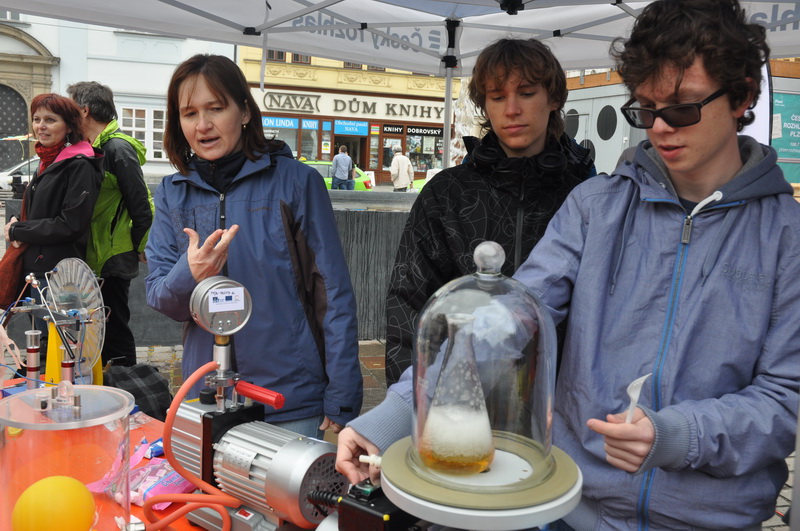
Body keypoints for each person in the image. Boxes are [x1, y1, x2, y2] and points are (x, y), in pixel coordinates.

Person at [338, 1, 800, 530]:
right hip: (572, 509)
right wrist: (396, 415)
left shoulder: (786, 237)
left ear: (742, 95)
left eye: (682, 108)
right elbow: (505, 323)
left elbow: (784, 398)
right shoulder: (595, 207)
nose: (660, 128)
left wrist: (682, 435)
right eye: (645, 109)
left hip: (711, 517)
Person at [145, 54, 362, 438]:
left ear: (244, 111)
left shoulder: (296, 183)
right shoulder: (172, 192)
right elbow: (163, 299)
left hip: (288, 398)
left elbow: (332, 292)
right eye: (189, 113)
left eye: (216, 108)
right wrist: (191, 274)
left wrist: (343, 392)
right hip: (207, 397)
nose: (203, 124)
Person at [384, 38, 595, 385]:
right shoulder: (447, 194)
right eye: (497, 97)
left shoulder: (587, 197)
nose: (511, 109)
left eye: (526, 93)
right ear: (485, 105)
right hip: (459, 392)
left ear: (554, 98)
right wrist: (413, 401)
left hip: (562, 398)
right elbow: (408, 306)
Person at [67, 81, 154, 368]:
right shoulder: (92, 147)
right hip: (96, 253)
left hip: (114, 255)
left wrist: (141, 246)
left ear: (84, 110)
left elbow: (141, 203)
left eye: (71, 108)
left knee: (115, 328)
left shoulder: (117, 148)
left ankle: (128, 386)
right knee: (97, 329)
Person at [3, 93, 103, 291]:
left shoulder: (80, 165)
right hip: (34, 268)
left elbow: (71, 224)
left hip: (58, 274)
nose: (41, 126)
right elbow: (40, 209)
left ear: (69, 126)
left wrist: (18, 230)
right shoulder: (48, 161)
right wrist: (16, 219)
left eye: (50, 120)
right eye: (36, 119)